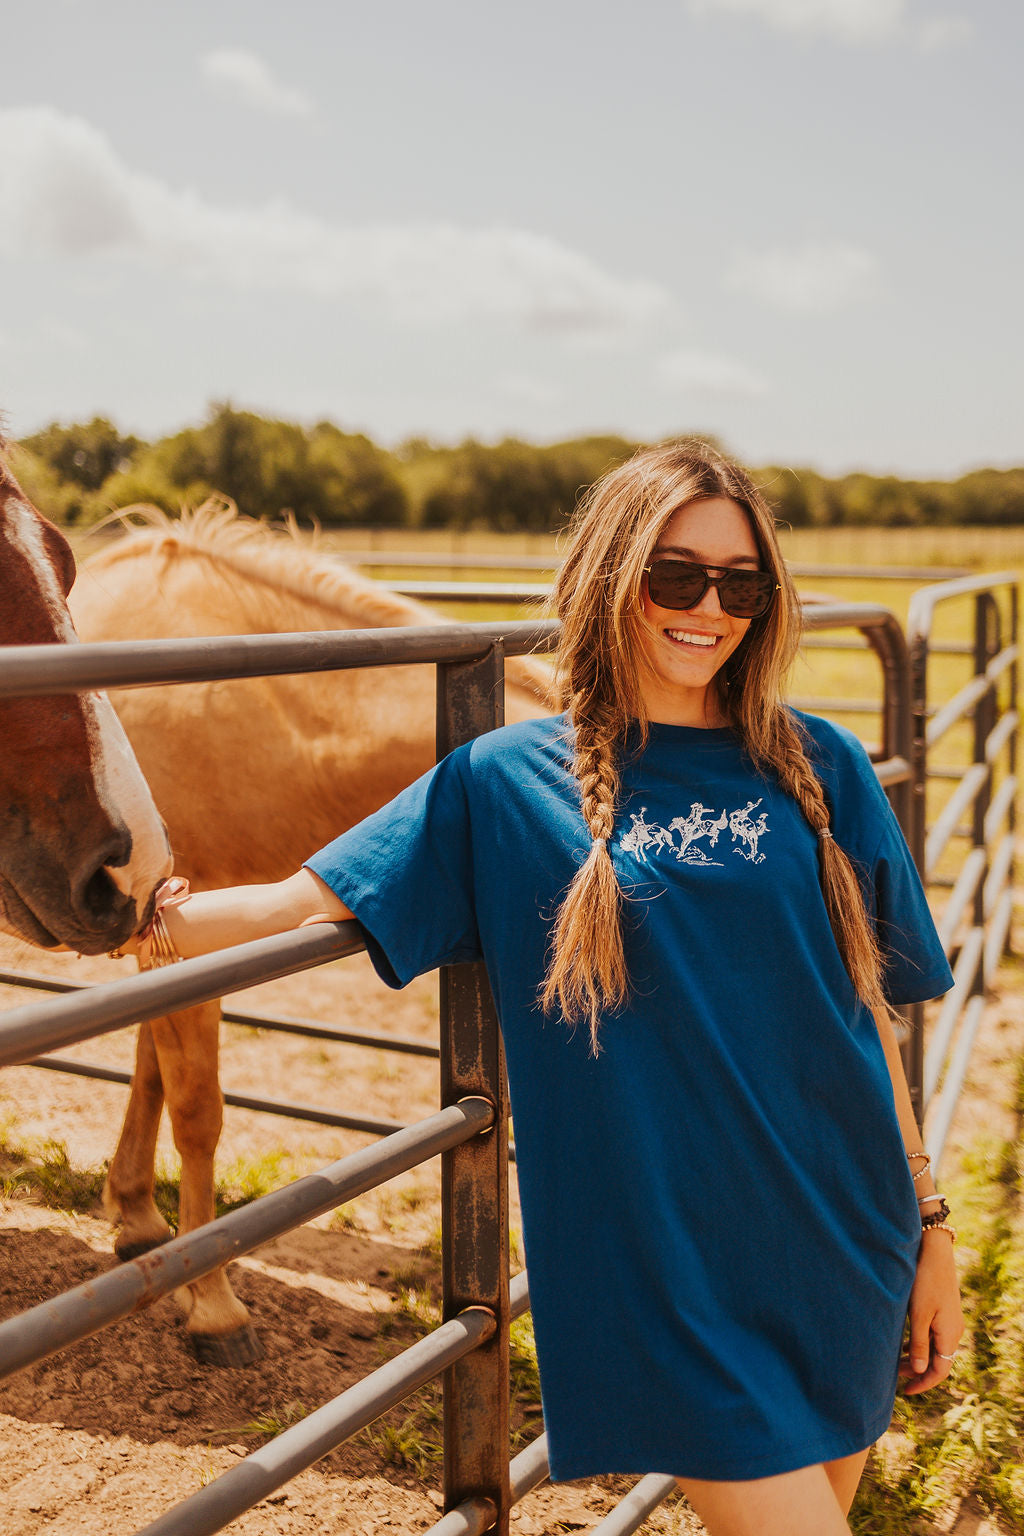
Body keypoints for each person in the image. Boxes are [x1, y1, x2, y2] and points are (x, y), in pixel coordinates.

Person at [135, 442, 962, 1536]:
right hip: (666, 1277)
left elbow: (865, 1016)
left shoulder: (824, 768)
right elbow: (298, 900)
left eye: (741, 585)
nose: (708, 609)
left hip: (843, 1243)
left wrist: (930, 1227)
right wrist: (141, 911)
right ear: (610, 575)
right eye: (676, 576)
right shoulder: (506, 782)